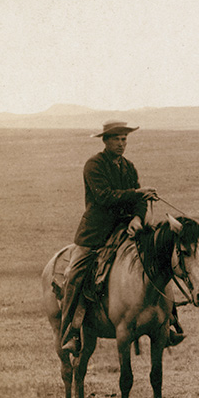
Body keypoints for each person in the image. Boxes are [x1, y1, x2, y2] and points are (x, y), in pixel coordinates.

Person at [60, 120, 164, 355]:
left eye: (124, 139)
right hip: (95, 233)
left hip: (126, 228)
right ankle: (72, 332)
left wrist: (137, 218)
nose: (121, 143)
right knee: (76, 274)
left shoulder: (128, 166)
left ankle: (168, 320)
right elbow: (104, 197)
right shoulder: (94, 165)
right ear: (105, 141)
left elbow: (138, 200)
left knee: (158, 255)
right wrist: (137, 192)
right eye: (116, 139)